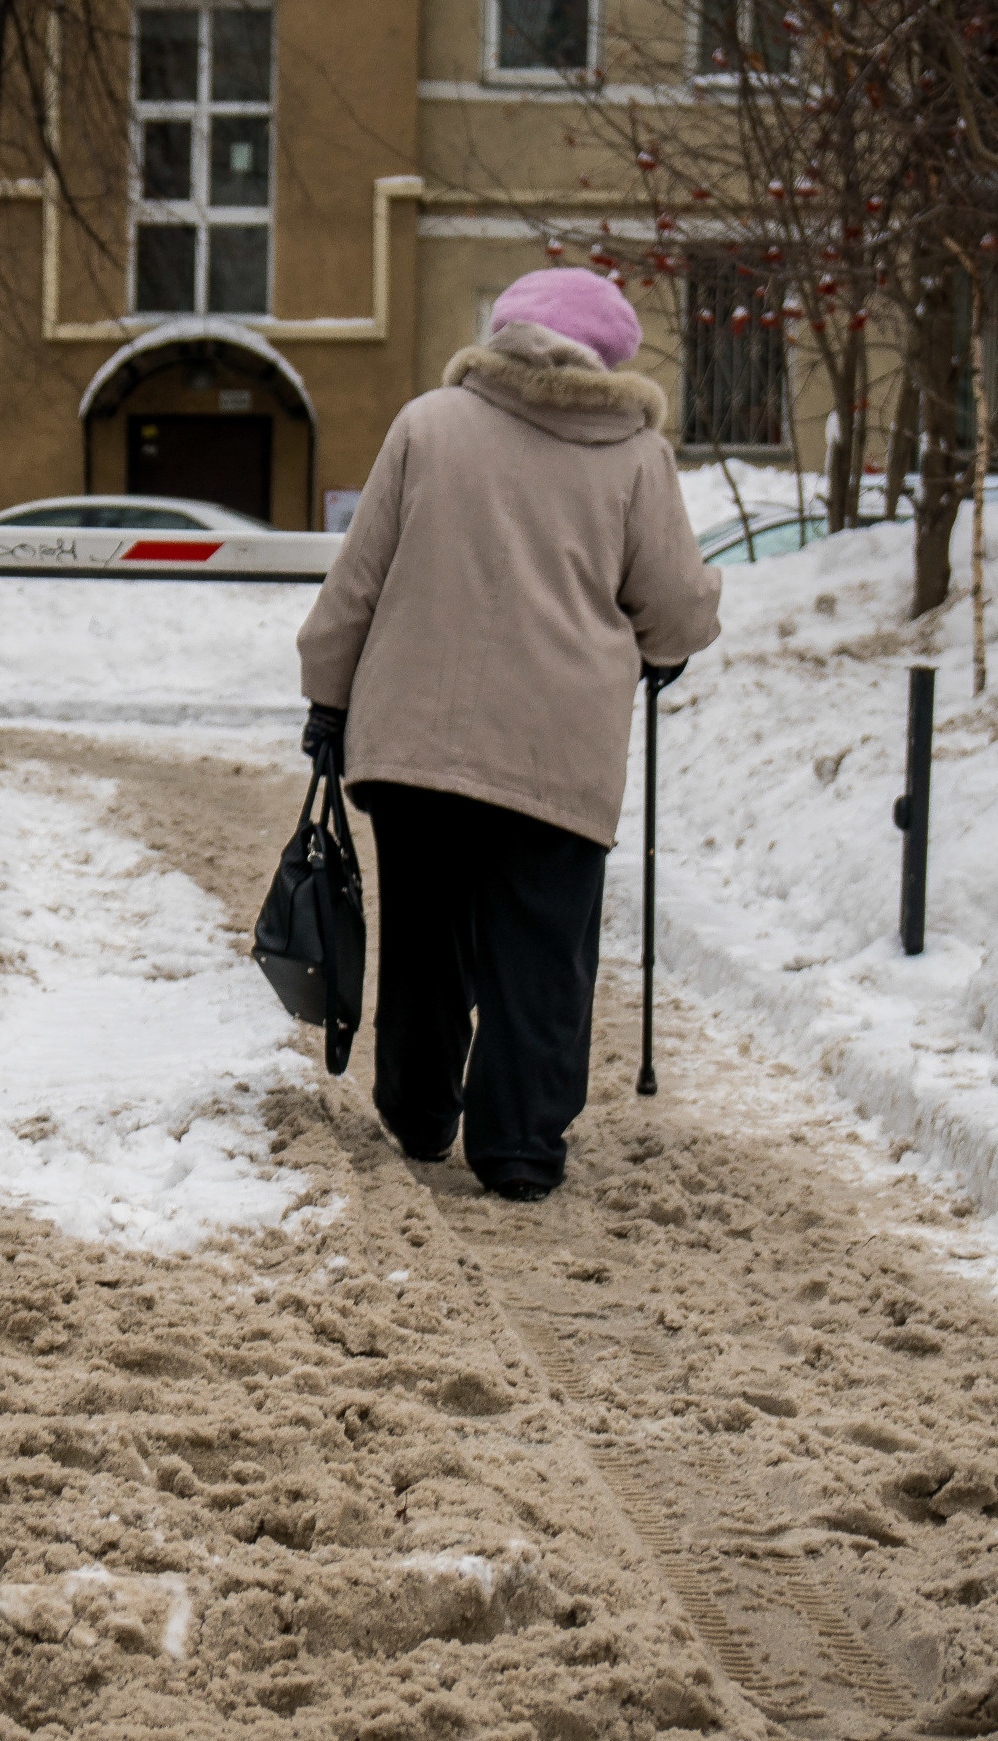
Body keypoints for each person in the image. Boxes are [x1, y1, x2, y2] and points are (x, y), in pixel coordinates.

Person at [294, 266, 722, 1201]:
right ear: (613, 360)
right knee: (542, 953)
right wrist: (663, 647)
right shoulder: (637, 457)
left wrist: (328, 698)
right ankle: (520, 1144)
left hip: (416, 745)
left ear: (502, 338)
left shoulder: (428, 426)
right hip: (556, 754)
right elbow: (679, 610)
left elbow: (355, 586)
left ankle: (417, 1111)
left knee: (426, 934)